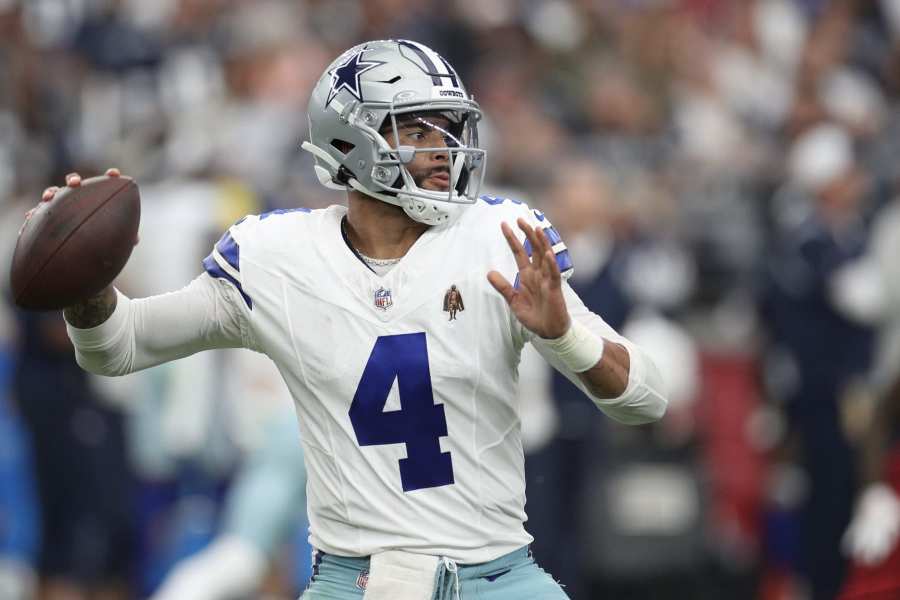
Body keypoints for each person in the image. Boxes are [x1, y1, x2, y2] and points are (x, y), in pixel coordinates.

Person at [36, 40, 667, 599]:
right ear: (348, 142)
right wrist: (88, 284)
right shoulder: (274, 258)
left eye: (449, 128)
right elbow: (118, 347)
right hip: (355, 582)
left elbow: (646, 400)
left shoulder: (498, 238)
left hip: (497, 576)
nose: (443, 148)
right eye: (416, 130)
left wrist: (563, 334)